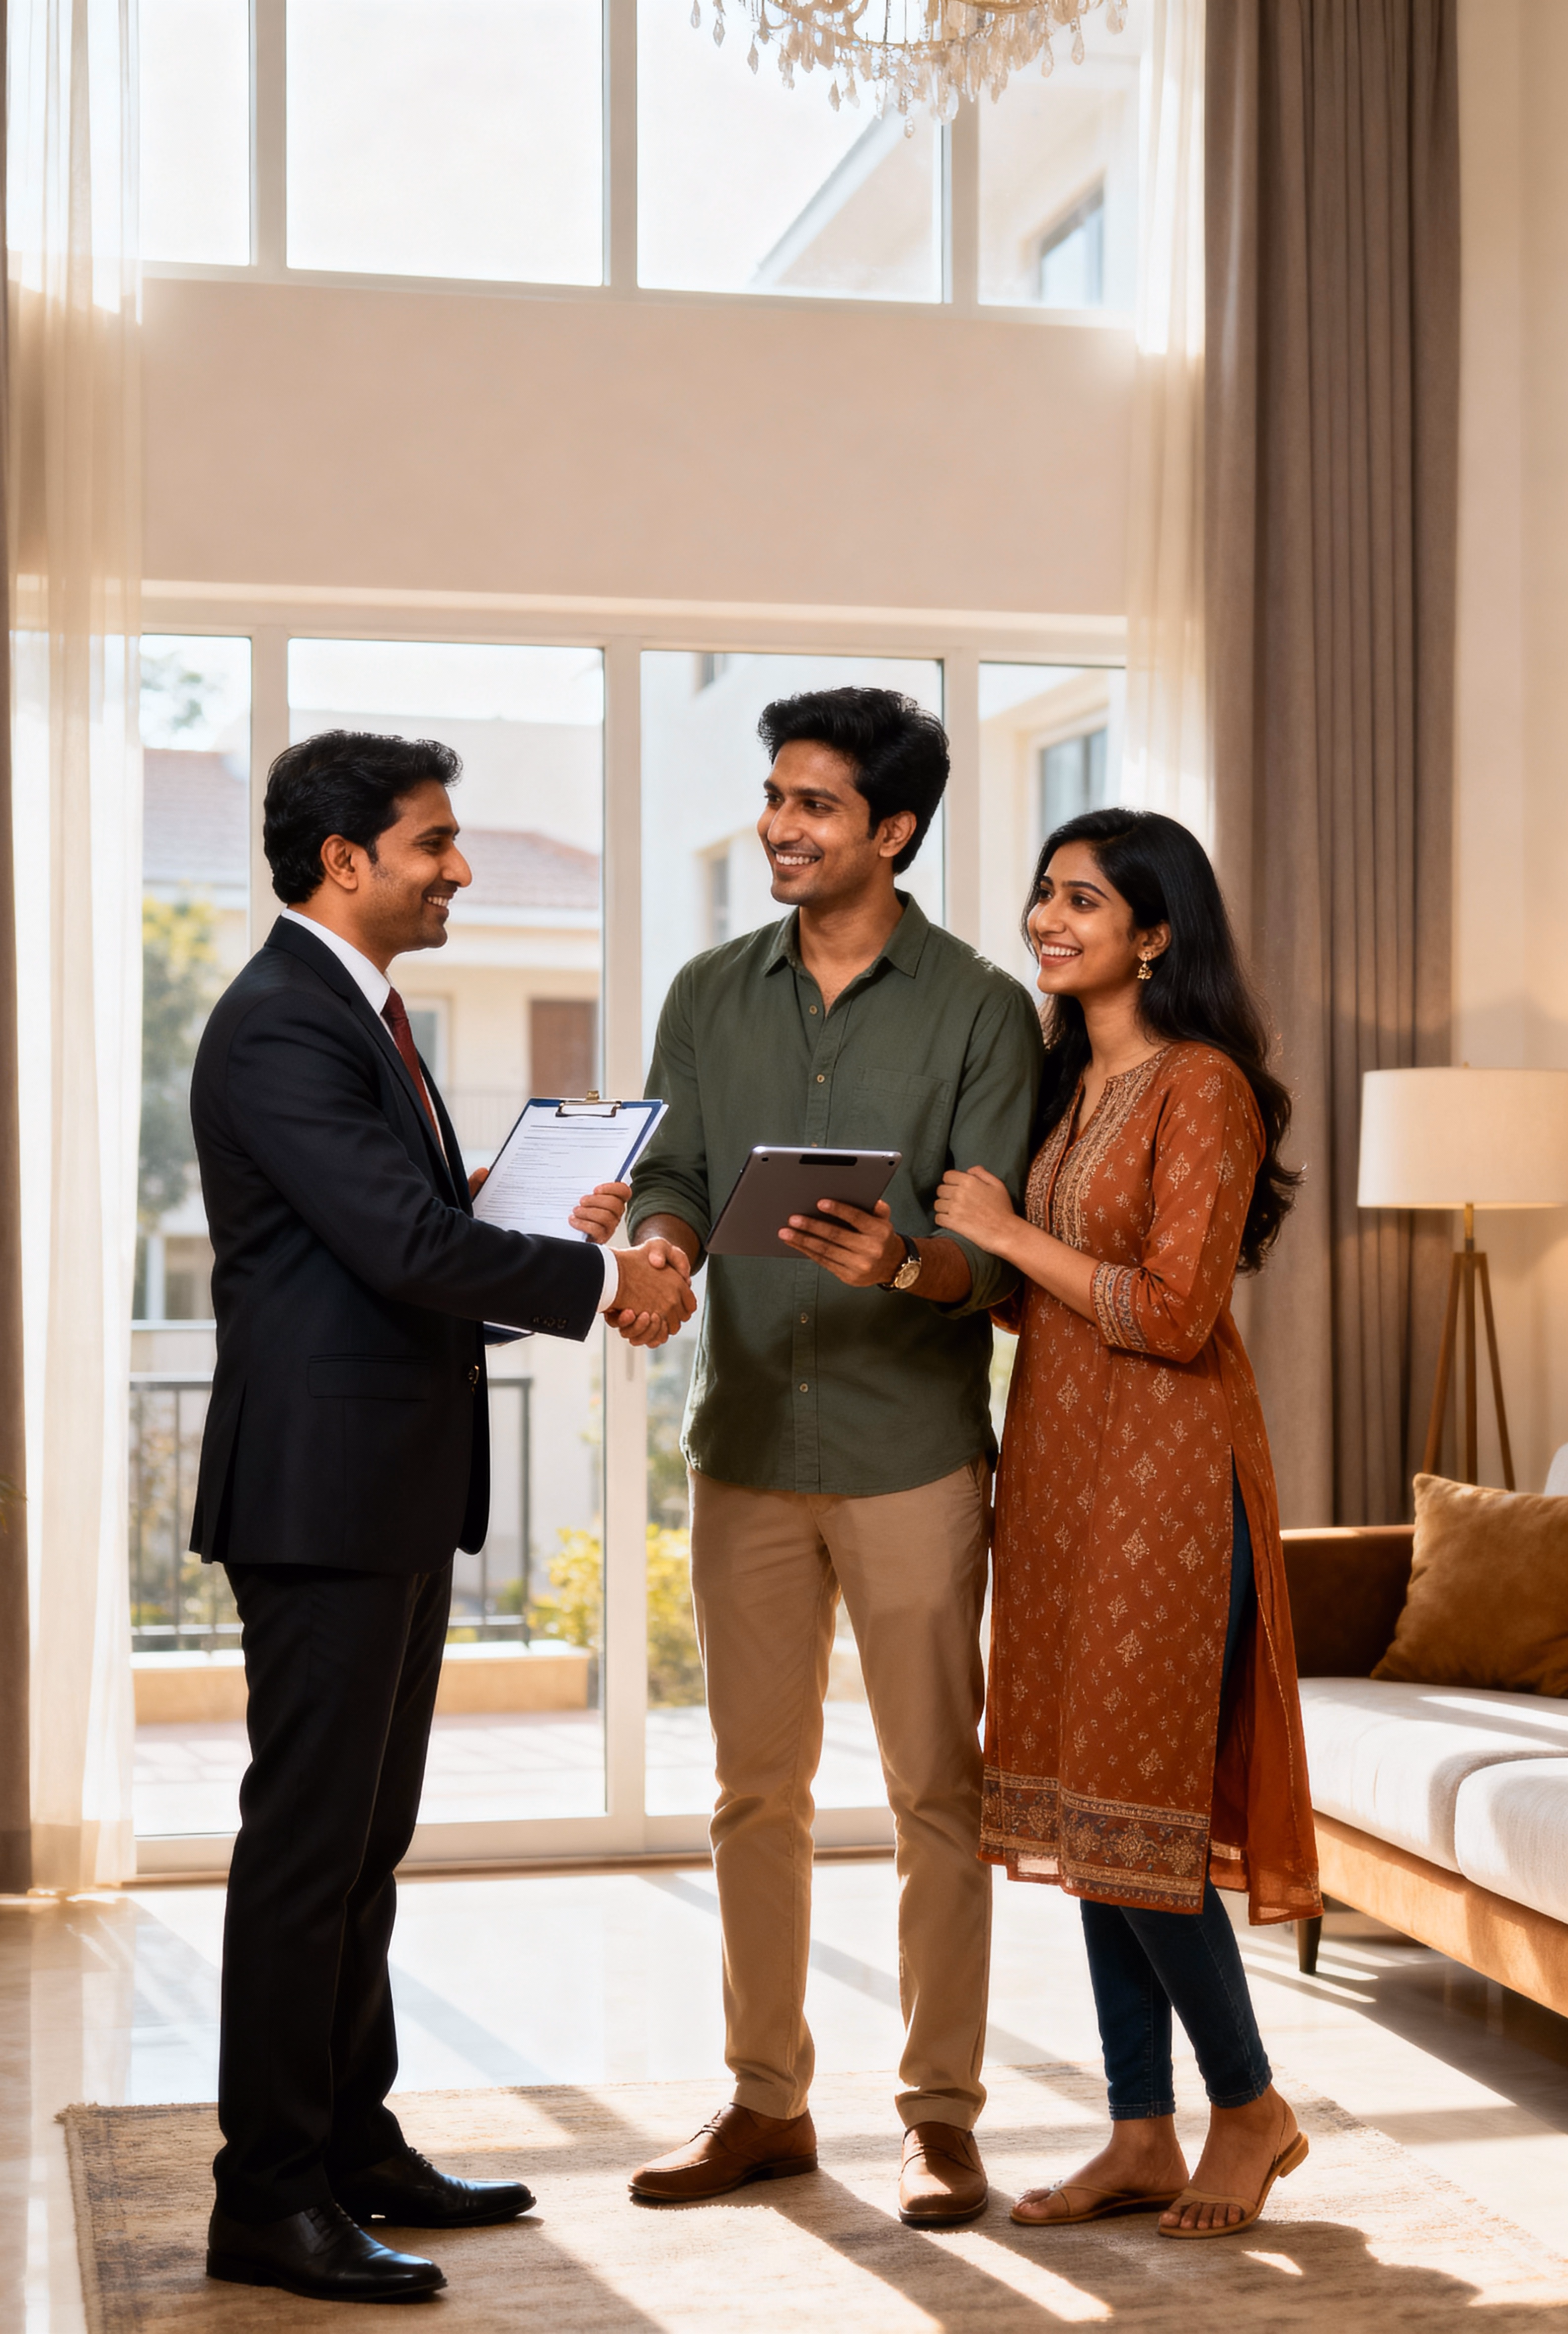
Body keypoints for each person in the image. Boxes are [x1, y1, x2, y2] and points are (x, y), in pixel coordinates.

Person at [189, 729, 696, 2305]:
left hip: (385, 1488)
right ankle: (266, 2197)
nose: (460, 867)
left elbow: (397, 1237)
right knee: (307, 1853)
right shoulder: (284, 1024)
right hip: (326, 1498)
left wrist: (525, 1214)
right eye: (434, 842)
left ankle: (353, 2142)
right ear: (346, 860)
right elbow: (403, 1248)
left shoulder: (358, 1018)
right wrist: (604, 1279)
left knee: (363, 1849)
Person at [617, 687, 1043, 2228]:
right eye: (775, 797)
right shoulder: (708, 992)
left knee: (938, 1789)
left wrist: (907, 1265)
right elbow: (668, 1164)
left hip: (912, 1451)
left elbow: (997, 1254)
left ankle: (941, 2114)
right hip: (743, 1439)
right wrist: (662, 1243)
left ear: (893, 831)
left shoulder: (984, 1009)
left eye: (813, 805)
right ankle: (765, 2103)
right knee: (754, 1792)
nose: (780, 828)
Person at [933, 806, 1321, 2240]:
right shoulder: (1063, 1085)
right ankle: (1140, 2130)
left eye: (1083, 900)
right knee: (1090, 1819)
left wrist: (1010, 1233)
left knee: (1141, 1821)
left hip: (1169, 1481)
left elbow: (1173, 1312)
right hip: (1054, 1474)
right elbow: (1032, 1289)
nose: (1049, 918)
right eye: (1044, 895)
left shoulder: (1201, 1086)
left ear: (1156, 934)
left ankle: (1251, 2108)